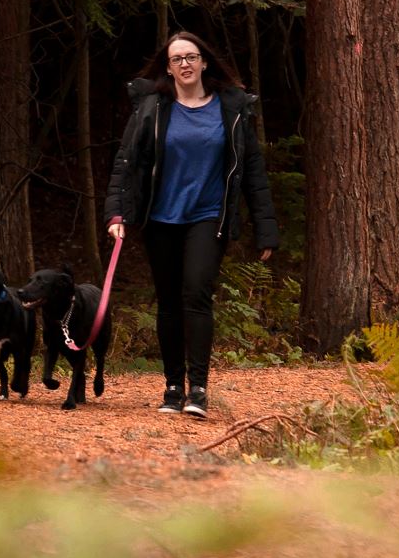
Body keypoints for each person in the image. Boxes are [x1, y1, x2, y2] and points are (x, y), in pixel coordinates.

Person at [104, 32, 279, 419]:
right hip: (160, 217)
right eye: (177, 59)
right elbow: (126, 162)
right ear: (168, 67)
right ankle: (171, 386)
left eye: (191, 57)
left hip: (207, 216)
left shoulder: (231, 110)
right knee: (168, 302)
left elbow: (252, 171)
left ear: (204, 63)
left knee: (196, 293)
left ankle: (198, 388)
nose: (184, 64)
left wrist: (265, 228)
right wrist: (117, 214)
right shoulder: (152, 108)